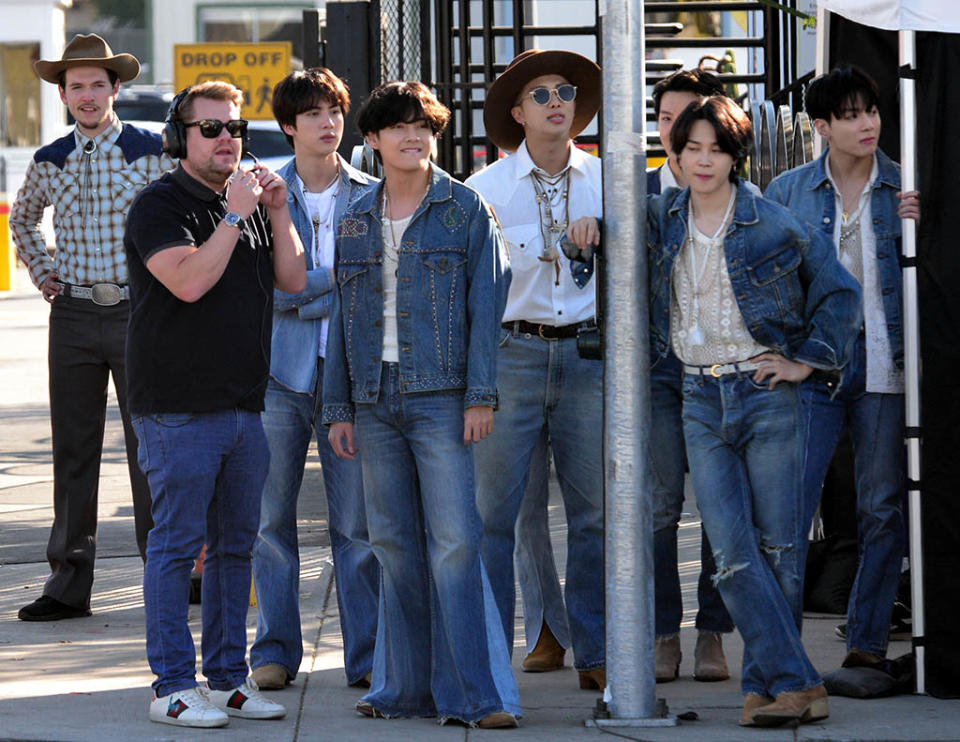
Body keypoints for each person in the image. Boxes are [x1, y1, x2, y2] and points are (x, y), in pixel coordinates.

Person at [617, 94, 860, 726]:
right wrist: (586, 231)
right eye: (690, 147)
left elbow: (840, 292)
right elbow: (607, 242)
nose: (702, 160)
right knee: (731, 555)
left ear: (735, 156)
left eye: (716, 149)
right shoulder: (660, 216)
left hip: (765, 396)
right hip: (698, 397)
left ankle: (764, 686)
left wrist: (805, 362)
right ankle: (800, 681)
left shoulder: (772, 221)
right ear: (675, 151)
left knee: (778, 548)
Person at [323, 81, 519, 728]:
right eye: (399, 128)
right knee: (393, 546)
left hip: (442, 399)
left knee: (457, 544)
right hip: (372, 400)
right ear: (373, 140)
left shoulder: (465, 210)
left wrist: (480, 397)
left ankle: (478, 695)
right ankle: (401, 688)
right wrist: (339, 410)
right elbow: (342, 320)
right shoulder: (353, 218)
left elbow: (485, 310)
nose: (414, 137)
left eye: (424, 127)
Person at [124, 80, 306, 728]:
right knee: (177, 547)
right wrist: (233, 214)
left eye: (236, 128)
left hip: (242, 406)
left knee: (236, 549)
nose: (228, 138)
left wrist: (278, 213)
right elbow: (191, 282)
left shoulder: (253, 205)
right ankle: (172, 685)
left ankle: (227, 678)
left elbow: (293, 279)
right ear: (181, 138)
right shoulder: (158, 205)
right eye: (212, 128)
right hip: (176, 409)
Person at [10, 33, 173, 622]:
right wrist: (45, 272)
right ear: (62, 94)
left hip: (140, 312)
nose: (86, 95)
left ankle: (167, 572)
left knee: (150, 446)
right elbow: (22, 220)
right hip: (74, 315)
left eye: (96, 85)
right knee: (74, 450)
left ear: (116, 89)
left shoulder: (153, 151)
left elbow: (186, 212)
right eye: (75, 86)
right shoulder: (49, 160)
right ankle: (67, 582)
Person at [765, 65, 920, 672]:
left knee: (883, 508)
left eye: (872, 111)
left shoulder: (905, 189)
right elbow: (764, 282)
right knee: (789, 510)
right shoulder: (788, 192)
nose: (867, 124)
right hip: (814, 369)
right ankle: (782, 654)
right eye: (851, 114)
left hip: (886, 369)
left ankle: (867, 642)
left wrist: (925, 227)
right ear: (823, 126)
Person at [465, 49, 605, 691]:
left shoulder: (610, 180)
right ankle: (494, 654)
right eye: (540, 94)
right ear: (517, 113)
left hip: (590, 355)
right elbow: (468, 293)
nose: (556, 102)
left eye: (566, 91)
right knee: (497, 516)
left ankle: (599, 649)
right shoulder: (482, 192)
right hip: (511, 355)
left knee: (596, 514)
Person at [249, 67, 380, 692]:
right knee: (269, 521)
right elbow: (260, 292)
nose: (327, 123)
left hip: (353, 377)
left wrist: (302, 289)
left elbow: (377, 286)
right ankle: (274, 650)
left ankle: (369, 655)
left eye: (334, 111)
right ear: (288, 126)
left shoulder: (373, 192)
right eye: (313, 114)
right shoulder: (262, 192)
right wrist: (327, 287)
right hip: (279, 374)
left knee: (356, 524)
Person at [647, 67, 739, 683]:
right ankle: (660, 633)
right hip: (656, 369)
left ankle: (711, 632)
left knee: (718, 506)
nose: (682, 136)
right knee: (656, 506)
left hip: (720, 371)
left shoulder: (739, 200)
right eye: (669, 121)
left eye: (694, 122)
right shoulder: (627, 191)